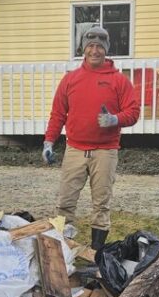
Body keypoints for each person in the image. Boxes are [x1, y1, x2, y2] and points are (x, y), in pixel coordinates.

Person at [42, 23, 140, 250]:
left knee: (101, 205)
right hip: (74, 149)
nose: (94, 50)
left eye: (99, 46)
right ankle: (62, 251)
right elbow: (58, 114)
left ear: (106, 49)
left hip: (105, 151)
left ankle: (95, 255)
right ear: (83, 49)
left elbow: (133, 112)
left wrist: (115, 119)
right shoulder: (70, 79)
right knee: (65, 203)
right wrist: (48, 142)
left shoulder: (119, 81)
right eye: (90, 45)